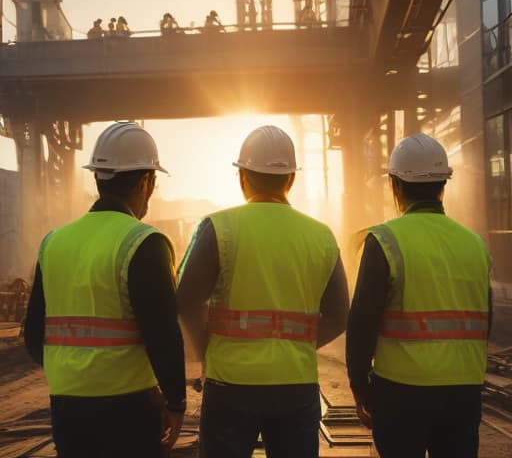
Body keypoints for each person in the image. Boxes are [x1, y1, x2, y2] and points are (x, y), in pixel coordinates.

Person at [177, 125, 350, 458]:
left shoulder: (219, 227)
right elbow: (339, 315)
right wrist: (291, 347)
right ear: (291, 179)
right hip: (295, 385)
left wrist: (206, 354)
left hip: (230, 384)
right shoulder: (322, 237)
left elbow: (185, 301)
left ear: (242, 176)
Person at [24, 122, 186, 458]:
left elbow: (33, 335)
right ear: (146, 181)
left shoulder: (53, 242)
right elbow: (163, 335)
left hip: (67, 408)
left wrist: (74, 377)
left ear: (98, 177)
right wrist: (175, 401)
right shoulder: (144, 242)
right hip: (129, 408)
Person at [346, 133, 492, 458]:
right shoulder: (475, 244)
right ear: (444, 184)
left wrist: (359, 384)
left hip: (400, 393)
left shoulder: (385, 240)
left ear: (394, 184)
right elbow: (486, 323)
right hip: (462, 392)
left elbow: (362, 321)